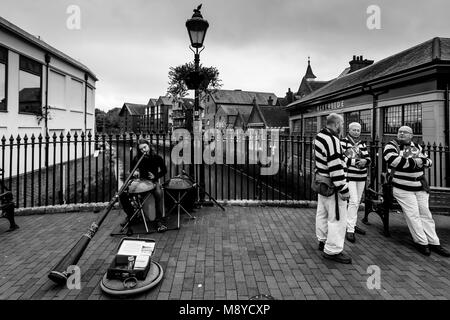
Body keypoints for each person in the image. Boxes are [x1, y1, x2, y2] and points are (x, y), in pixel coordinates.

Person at [383, 126, 449, 257]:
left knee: (426, 215)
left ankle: (434, 242)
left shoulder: (417, 147)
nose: (401, 133)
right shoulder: (390, 146)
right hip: (402, 189)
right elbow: (396, 162)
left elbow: (428, 162)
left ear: (411, 135)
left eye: (405, 132)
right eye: (400, 132)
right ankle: (421, 242)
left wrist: (417, 161)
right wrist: (418, 162)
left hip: (420, 187)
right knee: (413, 215)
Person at [314, 113, 352, 264]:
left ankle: (323, 241)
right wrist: (343, 189)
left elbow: (329, 159)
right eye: (341, 125)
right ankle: (333, 250)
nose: (342, 128)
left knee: (322, 213)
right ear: (337, 124)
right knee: (337, 218)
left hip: (322, 182)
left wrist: (347, 159)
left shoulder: (319, 136)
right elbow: (335, 166)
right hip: (333, 185)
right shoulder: (333, 140)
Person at [120, 139, 168, 232]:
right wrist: (135, 173)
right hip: (140, 182)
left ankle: (159, 220)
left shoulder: (157, 157)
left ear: (149, 146)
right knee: (122, 194)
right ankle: (132, 215)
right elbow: (131, 170)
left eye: (145, 147)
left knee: (158, 193)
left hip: (153, 182)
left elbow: (164, 170)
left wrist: (155, 176)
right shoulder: (137, 158)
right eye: (141, 149)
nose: (143, 150)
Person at [340, 122, 371, 243]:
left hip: (361, 176)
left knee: (357, 201)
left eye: (358, 130)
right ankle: (350, 230)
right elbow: (343, 158)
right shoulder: (343, 142)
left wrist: (365, 162)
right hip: (350, 176)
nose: (357, 132)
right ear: (349, 130)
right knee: (353, 201)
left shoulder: (362, 143)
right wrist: (358, 162)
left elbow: (368, 158)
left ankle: (351, 224)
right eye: (354, 130)